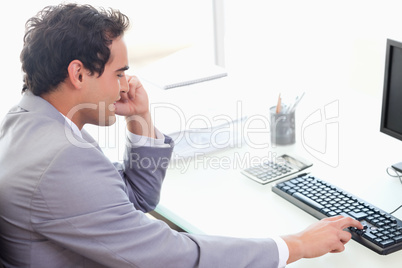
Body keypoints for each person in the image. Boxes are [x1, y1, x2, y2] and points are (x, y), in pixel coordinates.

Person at [0, 3, 362, 268]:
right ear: (79, 74)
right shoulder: (62, 158)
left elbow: (134, 200)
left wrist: (140, 116)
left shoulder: (28, 122)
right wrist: (295, 244)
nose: (126, 85)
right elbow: (171, 256)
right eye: (120, 73)